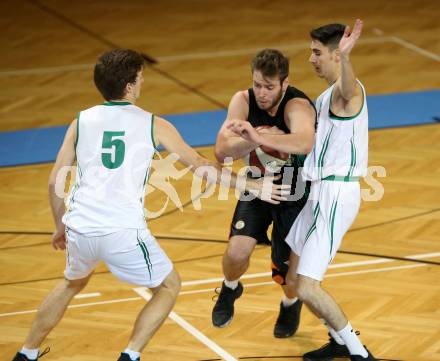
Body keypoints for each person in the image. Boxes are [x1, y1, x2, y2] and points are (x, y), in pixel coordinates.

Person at [11, 49, 289, 361]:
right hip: (122, 231)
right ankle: (130, 356)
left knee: (71, 283)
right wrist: (252, 185)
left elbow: (53, 183)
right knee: (169, 286)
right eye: (140, 78)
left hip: (81, 228)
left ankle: (26, 352)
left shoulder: (81, 121)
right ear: (129, 86)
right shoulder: (154, 124)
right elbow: (200, 165)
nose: (142, 82)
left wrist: (59, 226)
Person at [229, 19, 376, 360]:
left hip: (335, 195)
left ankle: (358, 352)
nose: (310, 59)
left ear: (336, 55)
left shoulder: (346, 95)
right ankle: (337, 338)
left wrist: (346, 59)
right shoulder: (324, 98)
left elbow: (349, 88)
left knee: (308, 285)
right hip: (317, 192)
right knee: (294, 278)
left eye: (316, 52)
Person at [212, 49, 316, 338]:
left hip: (294, 190)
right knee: (236, 253)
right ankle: (230, 288)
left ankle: (290, 303)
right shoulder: (242, 101)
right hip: (257, 184)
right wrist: (251, 139)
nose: (261, 92)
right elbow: (221, 151)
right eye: (257, 84)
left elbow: (305, 142)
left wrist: (257, 136)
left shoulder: (297, 106)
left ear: (284, 83)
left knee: (289, 277)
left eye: (269, 87)